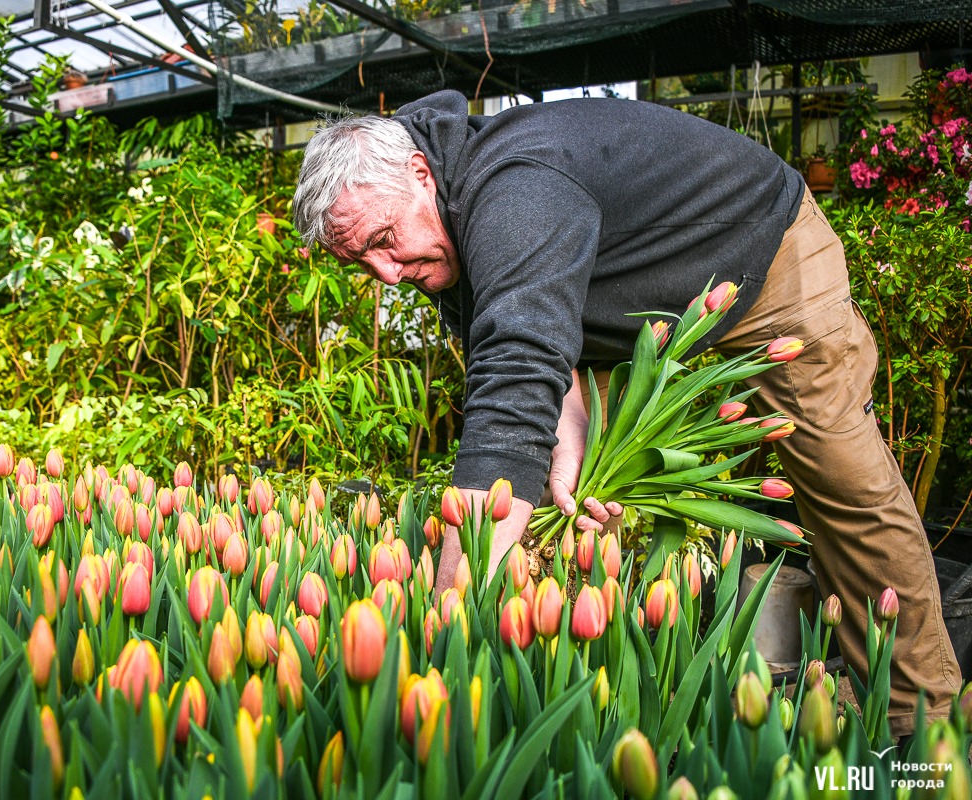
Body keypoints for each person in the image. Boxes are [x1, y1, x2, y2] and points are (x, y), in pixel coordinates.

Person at [290, 89, 961, 736]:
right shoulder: (439, 227)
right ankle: (590, 698)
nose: (385, 273)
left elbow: (513, 382)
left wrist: (451, 603)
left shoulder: (518, 189)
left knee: (844, 482)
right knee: (576, 495)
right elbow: (528, 363)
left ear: (419, 173)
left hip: (755, 254)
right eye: (361, 261)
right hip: (620, 315)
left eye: (383, 238)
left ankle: (918, 723)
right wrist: (569, 433)